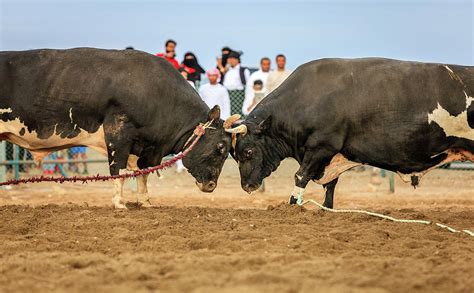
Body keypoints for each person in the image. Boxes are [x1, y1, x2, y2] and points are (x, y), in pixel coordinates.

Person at [222, 50, 250, 115]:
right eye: (229, 59)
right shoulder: (227, 71)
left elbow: (248, 85)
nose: (229, 61)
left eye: (232, 59)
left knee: (239, 116)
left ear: (237, 60)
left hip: (239, 97)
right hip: (227, 96)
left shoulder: (243, 70)